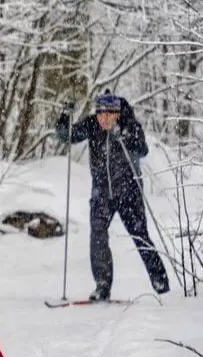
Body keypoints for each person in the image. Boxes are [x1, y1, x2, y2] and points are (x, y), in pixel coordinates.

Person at [55, 90, 169, 301]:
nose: (104, 119)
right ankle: (102, 285)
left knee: (140, 236)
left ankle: (161, 283)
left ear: (117, 113)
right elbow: (67, 136)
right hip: (102, 193)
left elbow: (142, 150)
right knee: (97, 235)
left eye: (108, 115)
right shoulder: (92, 125)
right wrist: (64, 115)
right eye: (100, 114)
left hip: (128, 192)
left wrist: (124, 135)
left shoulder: (129, 125)